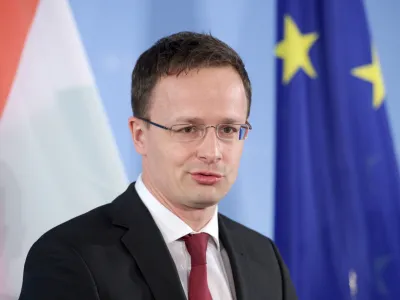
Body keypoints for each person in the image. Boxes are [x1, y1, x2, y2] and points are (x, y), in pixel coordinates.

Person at [18, 31, 297, 300]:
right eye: (188, 129)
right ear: (139, 135)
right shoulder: (70, 257)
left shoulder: (265, 258)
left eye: (227, 129)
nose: (212, 152)